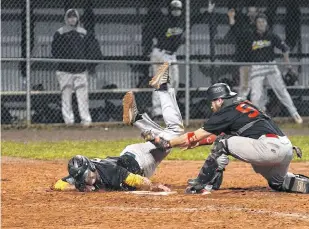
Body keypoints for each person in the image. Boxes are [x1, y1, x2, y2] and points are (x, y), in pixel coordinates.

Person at [143, 82, 309, 195]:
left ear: (219, 100)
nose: (211, 106)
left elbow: (200, 135)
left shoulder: (225, 111)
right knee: (277, 184)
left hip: (267, 147)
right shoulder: (244, 105)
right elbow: (226, 136)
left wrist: (168, 143)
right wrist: (198, 142)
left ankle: (202, 184)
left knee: (223, 144)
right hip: (284, 147)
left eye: (213, 102)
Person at [52, 62, 215, 192]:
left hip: (142, 161)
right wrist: (75, 185)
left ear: (92, 167)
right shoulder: (81, 174)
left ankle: (161, 91)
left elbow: (137, 181)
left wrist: (153, 187)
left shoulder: (110, 173)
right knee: (170, 133)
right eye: (82, 179)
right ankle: (140, 119)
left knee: (176, 131)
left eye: (87, 176)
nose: (87, 181)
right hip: (133, 155)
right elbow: (58, 184)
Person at [147, 0, 214, 119]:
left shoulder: (183, 21)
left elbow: (196, 20)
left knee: (175, 82)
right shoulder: (164, 21)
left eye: (178, 9)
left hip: (171, 55)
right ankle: (157, 111)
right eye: (174, 9)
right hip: (160, 53)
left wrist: (207, 12)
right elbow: (150, 29)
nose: (176, 11)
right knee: (160, 83)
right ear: (170, 9)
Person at [247, 13, 303, 124]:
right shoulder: (251, 36)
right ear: (256, 24)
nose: (261, 24)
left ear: (266, 24)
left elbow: (285, 49)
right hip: (256, 66)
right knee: (255, 95)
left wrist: (288, 66)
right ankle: (255, 120)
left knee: (281, 90)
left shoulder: (271, 36)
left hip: (270, 65)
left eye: (263, 22)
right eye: (259, 22)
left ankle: (294, 113)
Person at [51, 9, 102, 126]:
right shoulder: (60, 33)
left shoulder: (83, 33)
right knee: (66, 96)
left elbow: (91, 50)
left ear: (78, 18)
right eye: (70, 17)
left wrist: (89, 65)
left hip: (80, 70)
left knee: (83, 97)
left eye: (74, 17)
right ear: (66, 18)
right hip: (64, 71)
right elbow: (55, 51)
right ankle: (68, 121)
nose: (72, 19)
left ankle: (86, 120)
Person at [226, 4, 258, 99]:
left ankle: (260, 107)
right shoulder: (245, 25)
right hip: (245, 59)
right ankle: (240, 104)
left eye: (254, 12)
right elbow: (235, 31)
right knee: (245, 85)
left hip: (258, 59)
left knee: (257, 86)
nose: (252, 15)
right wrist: (231, 19)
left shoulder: (259, 25)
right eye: (250, 12)